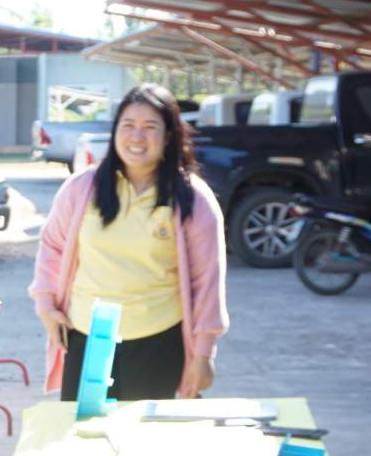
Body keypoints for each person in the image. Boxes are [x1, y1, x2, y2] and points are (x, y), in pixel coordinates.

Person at [30, 83, 228, 401]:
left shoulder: (193, 199)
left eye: (150, 127)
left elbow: (207, 280)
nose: (137, 137)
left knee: (141, 433)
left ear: (169, 136)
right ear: (115, 132)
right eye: (128, 125)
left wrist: (204, 353)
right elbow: (52, 246)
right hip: (87, 337)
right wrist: (46, 307)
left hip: (157, 341)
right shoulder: (82, 188)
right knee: (85, 428)